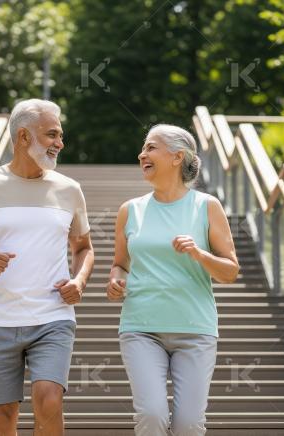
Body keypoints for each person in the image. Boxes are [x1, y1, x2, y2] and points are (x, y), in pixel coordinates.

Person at [0, 99, 94, 436]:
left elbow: (83, 248)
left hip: (52, 316)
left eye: (61, 135)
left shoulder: (69, 190)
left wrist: (80, 280)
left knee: (49, 399)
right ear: (24, 136)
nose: (60, 143)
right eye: (52, 134)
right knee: (1, 419)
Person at [106, 124, 239, 436]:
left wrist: (199, 254)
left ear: (178, 156)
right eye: (143, 148)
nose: (142, 154)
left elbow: (230, 271)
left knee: (189, 425)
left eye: (151, 147)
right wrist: (116, 281)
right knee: (151, 416)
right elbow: (119, 264)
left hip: (195, 330)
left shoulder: (206, 206)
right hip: (141, 328)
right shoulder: (130, 210)